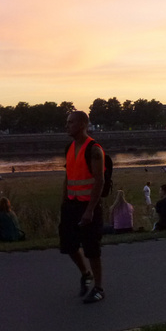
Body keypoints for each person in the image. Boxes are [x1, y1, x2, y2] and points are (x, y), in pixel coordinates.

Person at [59, 110, 111, 305]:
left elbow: (100, 180)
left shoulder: (94, 150)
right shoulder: (69, 148)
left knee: (92, 249)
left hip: (88, 206)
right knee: (69, 245)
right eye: (67, 122)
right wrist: (63, 201)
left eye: (70, 122)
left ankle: (99, 288)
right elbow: (68, 176)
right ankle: (85, 273)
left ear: (82, 124)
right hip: (71, 205)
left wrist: (90, 209)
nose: (67, 125)